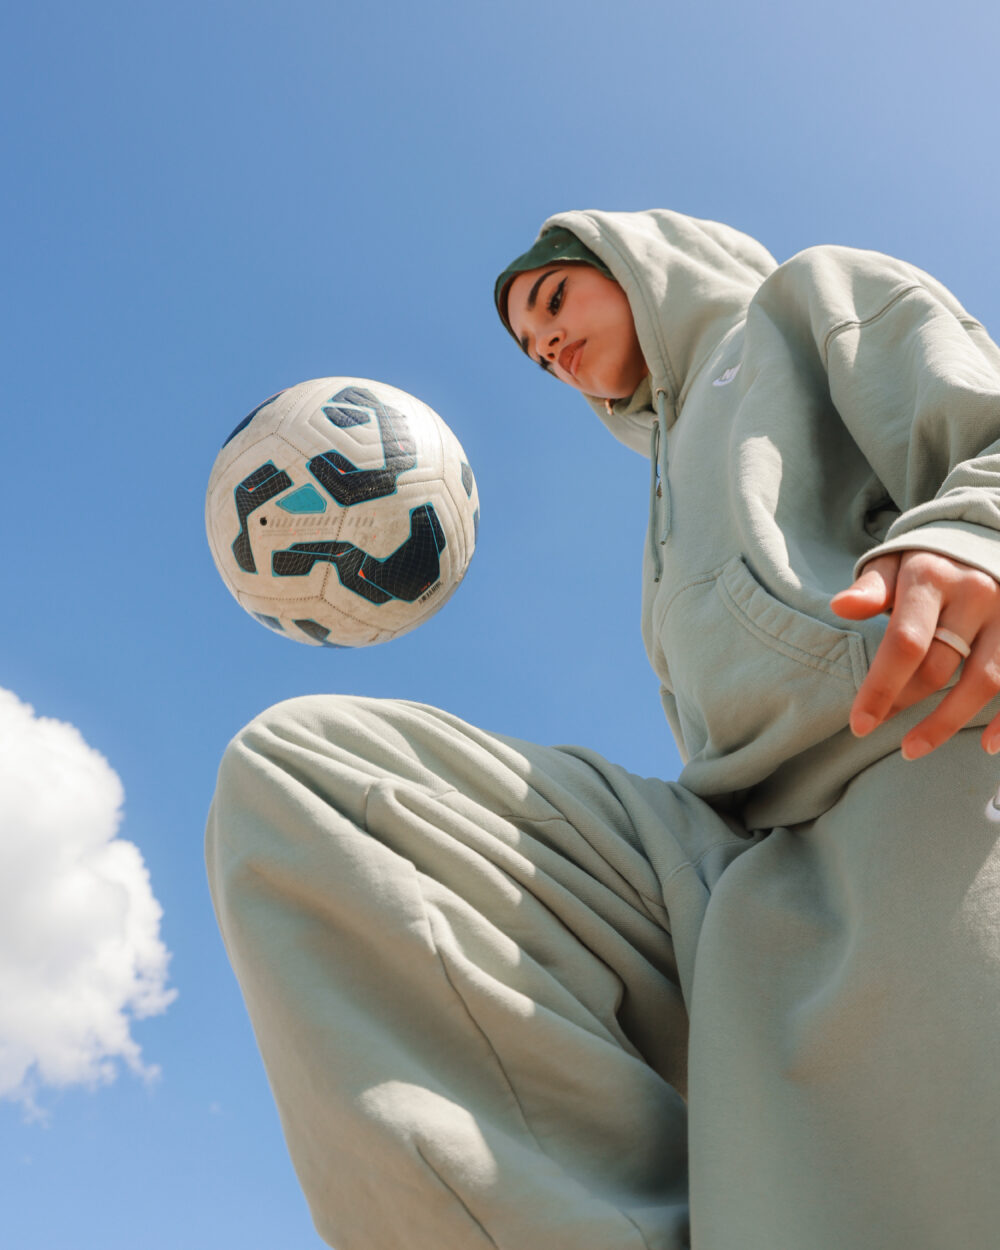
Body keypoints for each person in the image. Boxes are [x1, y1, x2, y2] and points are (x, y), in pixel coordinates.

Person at [207, 209, 1000, 1250]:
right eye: (533, 354)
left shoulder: (810, 302)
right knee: (307, 775)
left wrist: (971, 531)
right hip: (738, 862)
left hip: (923, 755)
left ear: (635, 264)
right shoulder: (660, 531)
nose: (549, 348)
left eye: (552, 302)